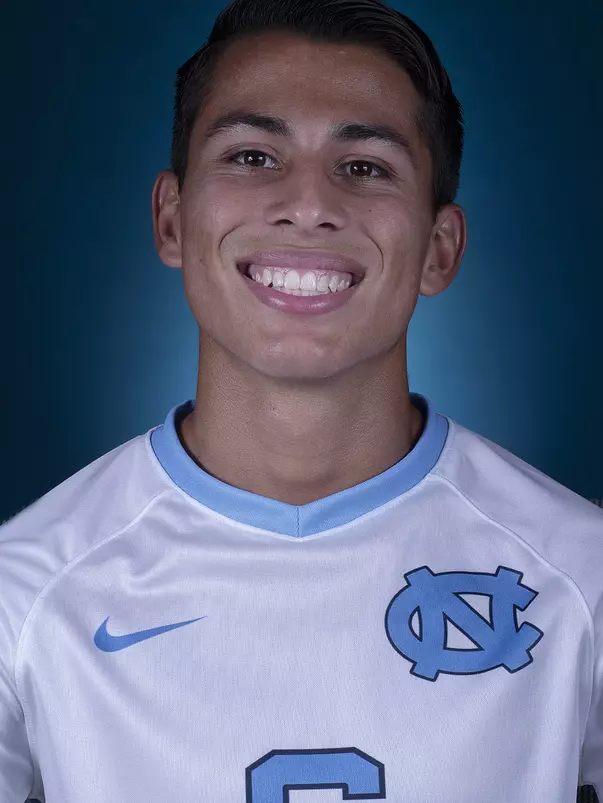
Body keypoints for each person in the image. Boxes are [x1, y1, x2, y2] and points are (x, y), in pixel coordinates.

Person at [1, 0, 601, 800]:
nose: (309, 203)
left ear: (439, 248)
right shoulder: (26, 593)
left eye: (364, 167)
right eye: (252, 156)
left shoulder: (579, 576)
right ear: (172, 220)